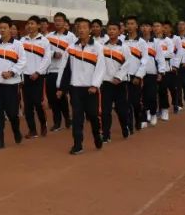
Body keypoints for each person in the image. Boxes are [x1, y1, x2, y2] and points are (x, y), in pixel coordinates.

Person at [55, 18, 105, 155]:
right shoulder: (71, 48)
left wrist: (95, 85)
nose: (81, 30)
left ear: (90, 30)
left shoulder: (97, 48)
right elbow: (65, 68)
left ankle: (97, 136)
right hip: (75, 88)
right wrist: (61, 88)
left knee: (93, 116)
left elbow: (101, 68)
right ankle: (78, 144)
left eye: (84, 27)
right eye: (79, 27)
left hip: (91, 89)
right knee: (77, 117)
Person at [0, 17, 26, 149]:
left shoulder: (17, 45)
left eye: (5, 28)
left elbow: (23, 61)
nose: (2, 30)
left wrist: (12, 72)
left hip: (11, 84)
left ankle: (16, 131)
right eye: (0, 28)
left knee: (12, 113)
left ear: (10, 29)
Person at [99, 21, 137, 144]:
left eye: (114, 29)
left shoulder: (124, 47)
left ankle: (125, 127)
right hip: (106, 83)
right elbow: (100, 64)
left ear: (119, 31)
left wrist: (118, 77)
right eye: (109, 29)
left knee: (121, 110)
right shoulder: (102, 47)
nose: (111, 31)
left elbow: (128, 63)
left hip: (120, 83)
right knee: (105, 111)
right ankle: (106, 135)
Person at [19, 16, 52, 138]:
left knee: (38, 103)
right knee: (27, 105)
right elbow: (19, 58)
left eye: (32, 23)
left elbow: (47, 59)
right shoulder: (22, 41)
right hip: (25, 77)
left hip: (38, 77)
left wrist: (38, 72)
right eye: (28, 24)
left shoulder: (44, 41)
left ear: (38, 26)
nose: (30, 26)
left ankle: (43, 124)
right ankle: (32, 129)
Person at [45, 12, 76, 131]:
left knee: (62, 96)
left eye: (60, 20)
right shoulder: (49, 36)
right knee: (52, 98)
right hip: (51, 71)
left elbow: (75, 52)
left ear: (64, 22)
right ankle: (57, 122)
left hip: (64, 71)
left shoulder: (71, 37)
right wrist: (53, 54)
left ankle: (67, 119)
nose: (57, 23)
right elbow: (44, 51)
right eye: (56, 20)